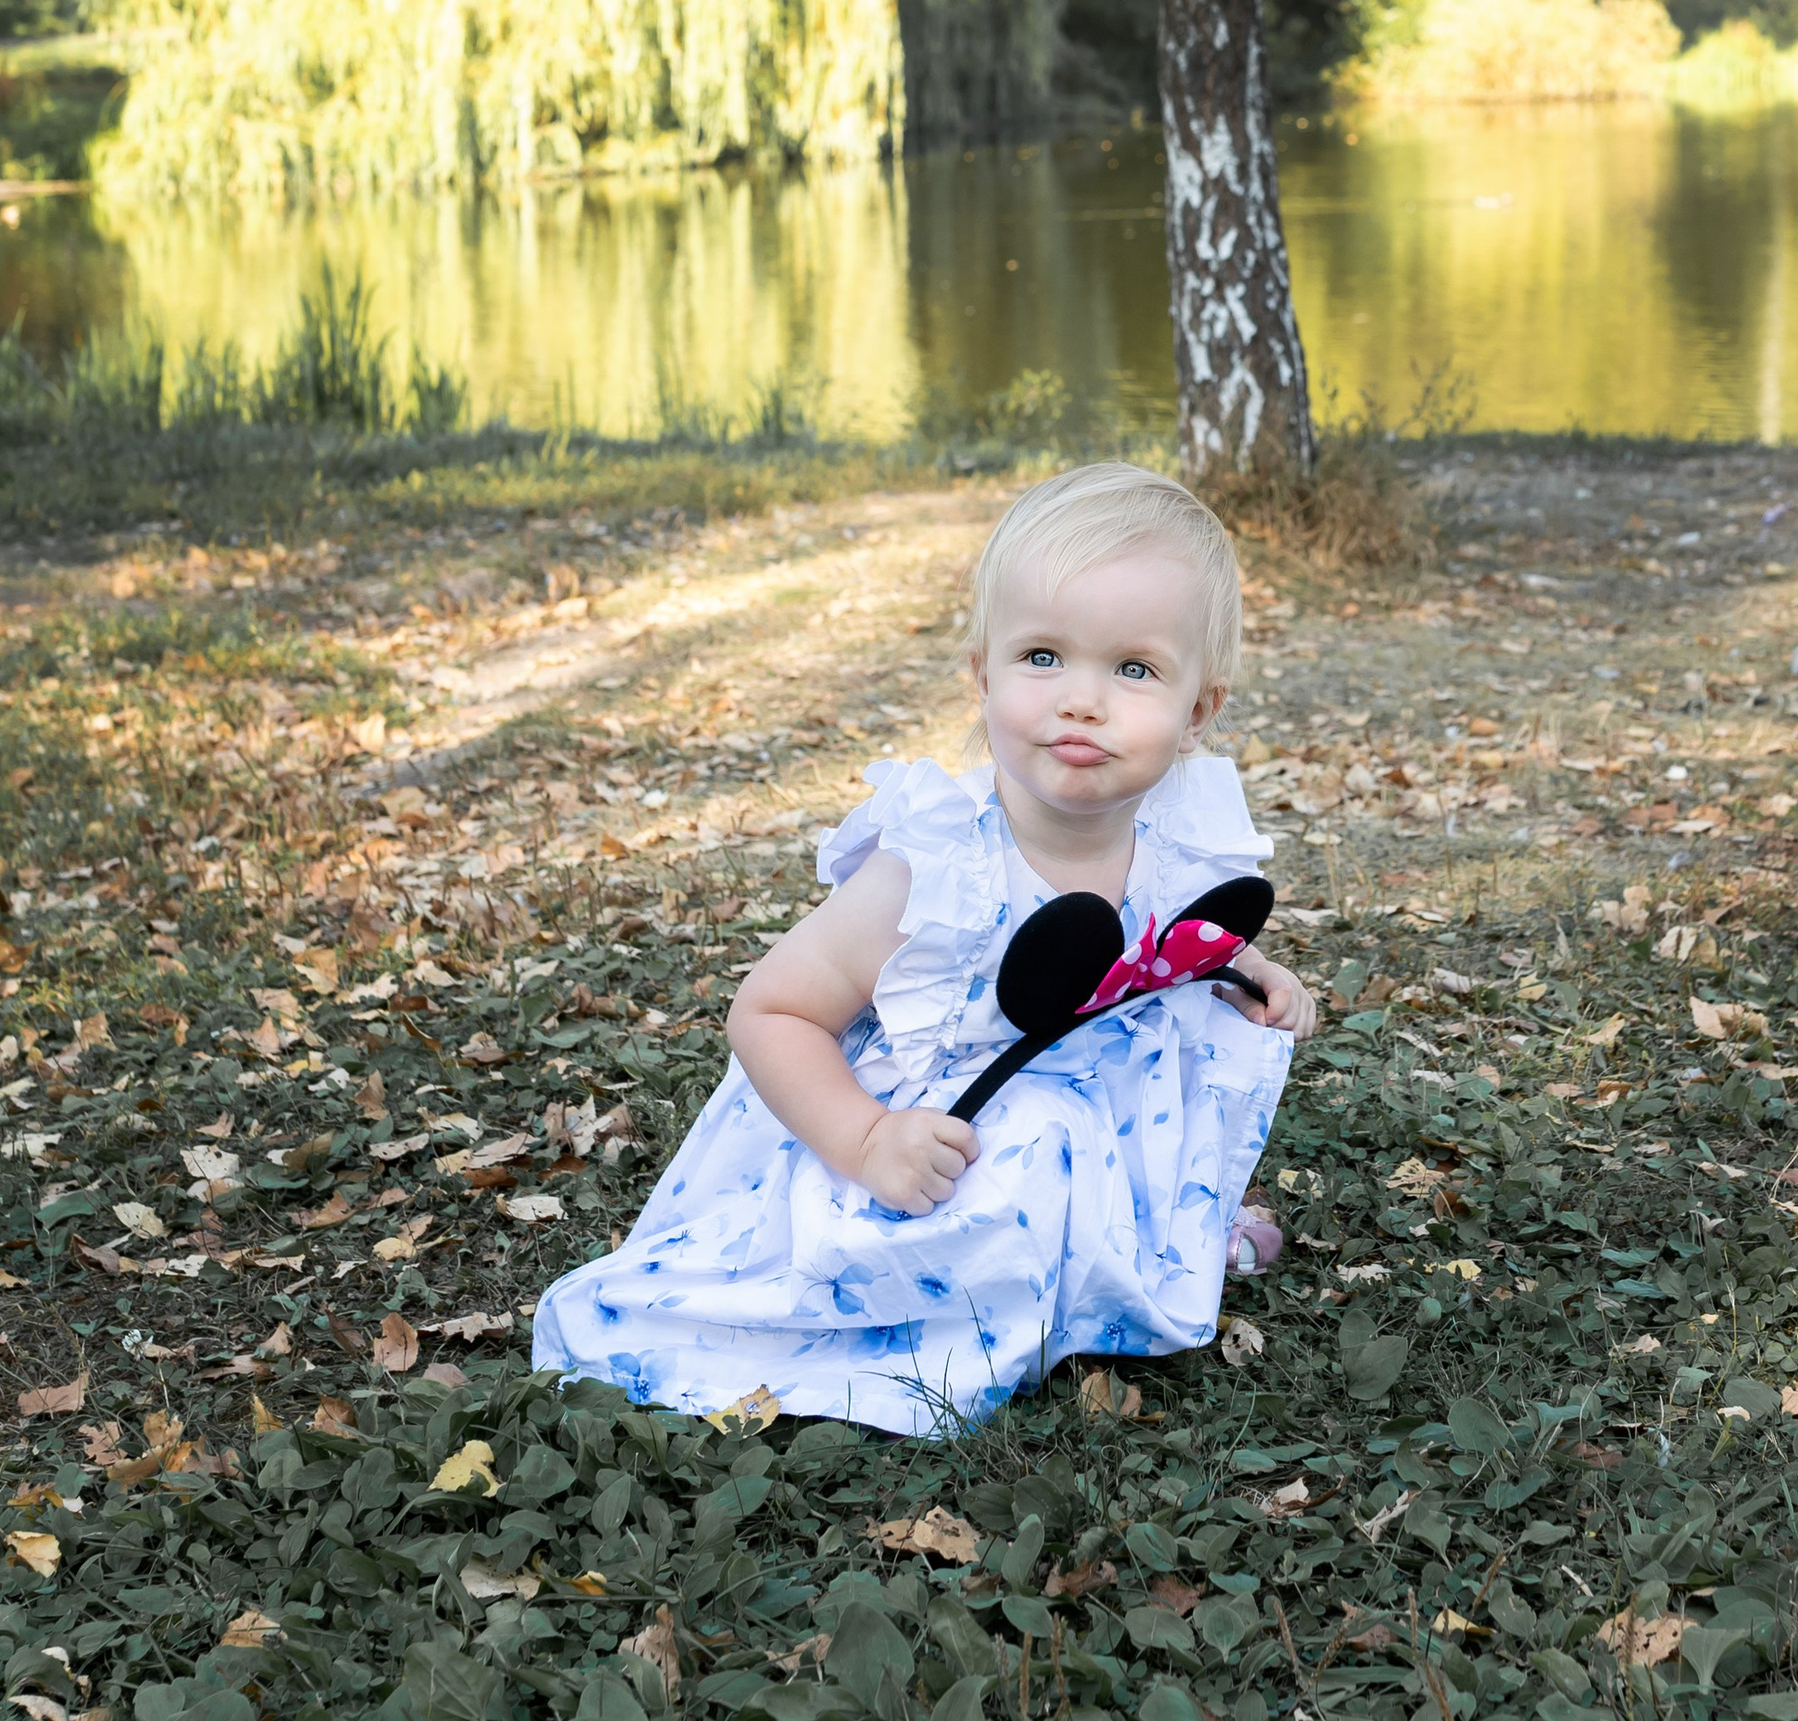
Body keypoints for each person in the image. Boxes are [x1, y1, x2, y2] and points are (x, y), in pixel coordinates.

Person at [530, 461, 1315, 1431]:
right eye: (1041, 656)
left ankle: (1139, 1238)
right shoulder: (934, 873)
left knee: (1113, 1102)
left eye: (1133, 668)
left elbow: (1172, 958)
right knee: (1019, 1153)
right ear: (980, 673)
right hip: (930, 1154)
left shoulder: (1176, 847)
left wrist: (1254, 976)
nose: (1081, 699)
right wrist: (864, 1140)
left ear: (1198, 710)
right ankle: (976, 1293)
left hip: (1084, 1131)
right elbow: (768, 1010)